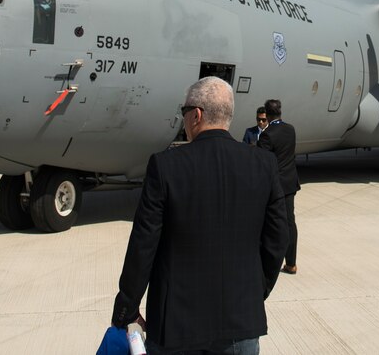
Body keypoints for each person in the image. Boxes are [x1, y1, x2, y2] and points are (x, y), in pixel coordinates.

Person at [111, 77, 289, 354]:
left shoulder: (165, 166)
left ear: (196, 115)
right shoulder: (263, 165)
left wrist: (127, 307)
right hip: (240, 320)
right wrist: (256, 292)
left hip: (175, 326)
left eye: (183, 113)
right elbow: (278, 239)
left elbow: (143, 244)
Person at [257, 99, 300, 275]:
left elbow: (261, 161)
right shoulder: (290, 130)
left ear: (267, 113)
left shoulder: (268, 134)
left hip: (274, 185)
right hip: (290, 183)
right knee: (290, 222)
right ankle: (291, 263)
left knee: (268, 223)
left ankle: (267, 260)